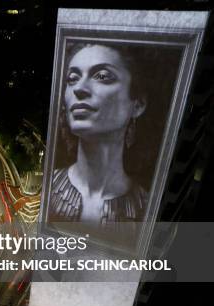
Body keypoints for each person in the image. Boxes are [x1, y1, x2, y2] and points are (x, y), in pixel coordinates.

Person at [50, 43, 149, 225]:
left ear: (138, 104)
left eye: (102, 76)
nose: (79, 88)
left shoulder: (148, 209)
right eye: (72, 78)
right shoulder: (44, 187)